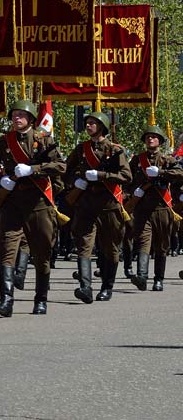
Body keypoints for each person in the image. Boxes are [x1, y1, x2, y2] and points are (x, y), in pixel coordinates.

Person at [0, 100, 65, 316]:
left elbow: (60, 166)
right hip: (12, 202)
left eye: (21, 115)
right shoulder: (4, 142)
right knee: (7, 250)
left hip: (38, 203)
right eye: (14, 115)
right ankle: (6, 301)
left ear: (30, 119)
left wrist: (33, 170)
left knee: (41, 252)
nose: (16, 118)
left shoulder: (43, 139)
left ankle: (41, 299)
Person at [64, 112, 131, 303]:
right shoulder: (81, 149)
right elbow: (66, 170)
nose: (88, 126)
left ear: (102, 126)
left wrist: (101, 175)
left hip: (108, 204)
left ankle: (107, 286)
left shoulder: (115, 150)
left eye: (93, 123)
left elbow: (127, 176)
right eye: (87, 123)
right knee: (84, 245)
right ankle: (85, 287)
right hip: (86, 202)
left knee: (110, 248)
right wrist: (76, 182)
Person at [127, 125, 183, 291]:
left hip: (162, 209)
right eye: (147, 137)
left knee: (161, 245)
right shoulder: (137, 160)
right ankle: (142, 276)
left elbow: (180, 174)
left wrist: (161, 173)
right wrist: (133, 191)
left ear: (160, 140)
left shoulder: (168, 160)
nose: (150, 139)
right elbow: (127, 179)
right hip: (143, 209)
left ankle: (158, 279)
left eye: (153, 137)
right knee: (144, 242)